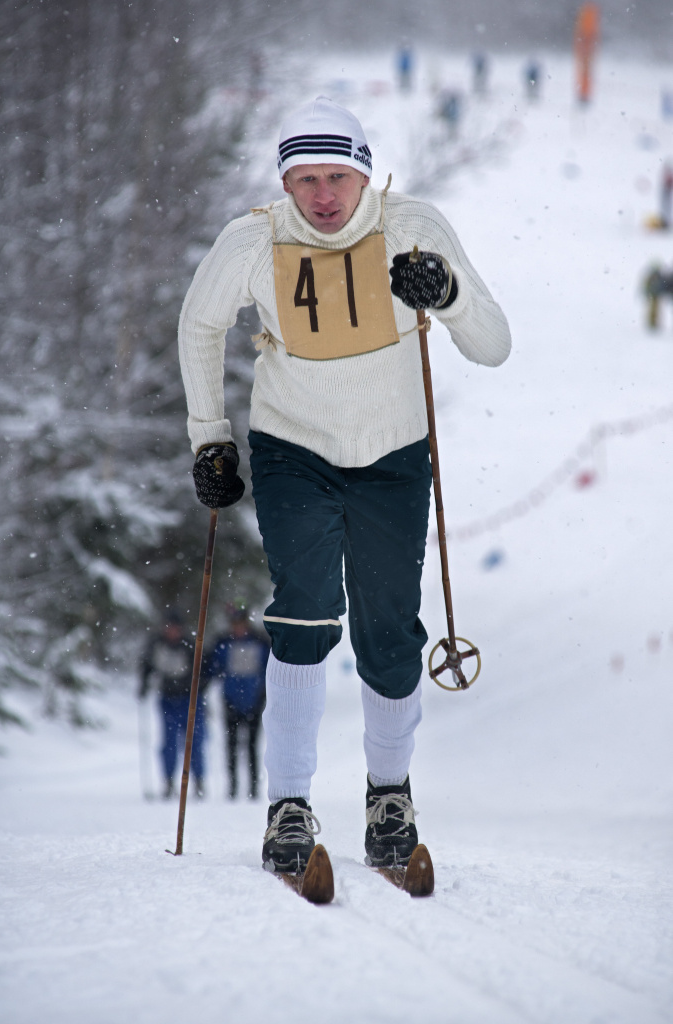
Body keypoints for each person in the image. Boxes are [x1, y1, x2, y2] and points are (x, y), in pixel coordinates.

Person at [178, 96, 511, 873]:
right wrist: (210, 440)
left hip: (393, 455)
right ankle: (288, 806)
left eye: (337, 176)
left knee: (390, 630)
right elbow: (199, 324)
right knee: (303, 612)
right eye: (305, 179)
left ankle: (387, 799)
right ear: (284, 183)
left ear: (364, 174)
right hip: (293, 448)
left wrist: (447, 295)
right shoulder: (252, 240)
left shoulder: (413, 227)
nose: (323, 196)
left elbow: (493, 345)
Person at [138, 610, 207, 799]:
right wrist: (143, 684)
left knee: (193, 742)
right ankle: (168, 781)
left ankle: (198, 781)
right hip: (167, 698)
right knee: (168, 742)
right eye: (169, 627)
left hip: (189, 699)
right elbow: (146, 665)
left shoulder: (190, 646)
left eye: (175, 628)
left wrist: (200, 687)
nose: (172, 631)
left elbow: (204, 669)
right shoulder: (156, 645)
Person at [207, 606, 269, 800]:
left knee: (251, 746)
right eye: (235, 624)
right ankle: (233, 786)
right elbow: (212, 667)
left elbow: (270, 669)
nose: (238, 628)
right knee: (231, 745)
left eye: (241, 624)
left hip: (254, 700)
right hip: (231, 701)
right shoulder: (223, 643)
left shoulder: (260, 642)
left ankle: (253, 787)